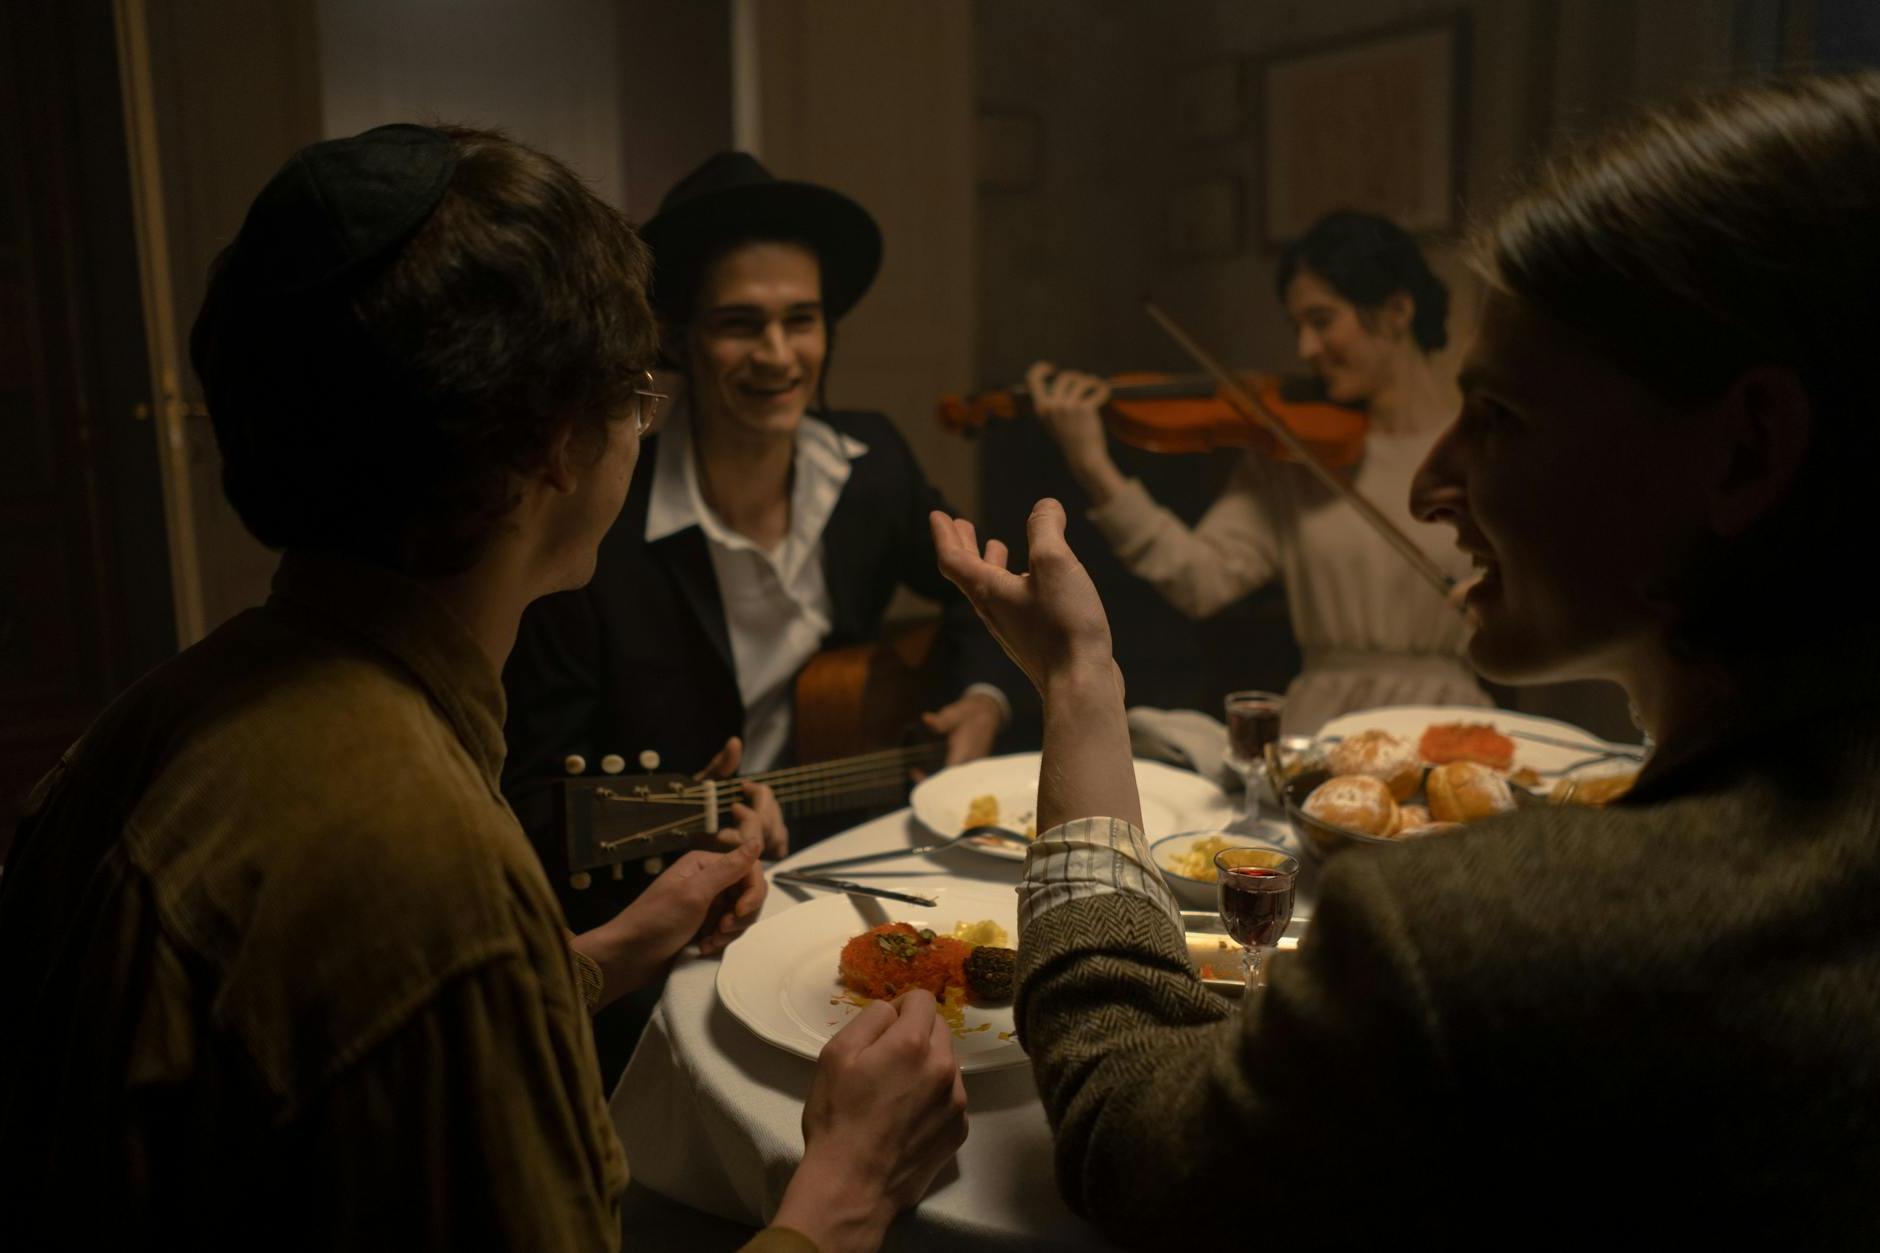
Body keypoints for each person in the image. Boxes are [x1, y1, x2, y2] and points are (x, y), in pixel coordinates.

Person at [931, 74, 1880, 1247]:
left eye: (1500, 417)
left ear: (1745, 451)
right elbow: (1198, 570)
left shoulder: (1468, 932)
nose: (1433, 488)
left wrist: (1080, 687)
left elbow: (1137, 1147)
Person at [0, 124, 965, 1253]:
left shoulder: (161, 711)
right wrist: (843, 1186)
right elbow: (426, 954)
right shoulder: (435, 872)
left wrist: (597, 955)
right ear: (559, 444)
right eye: (634, 394)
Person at [501, 151, 1016, 1075]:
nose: (779, 357)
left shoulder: (871, 466)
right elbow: (535, 797)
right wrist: (697, 830)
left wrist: (980, 695)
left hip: (853, 857)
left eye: (801, 321)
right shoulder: (602, 522)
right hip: (681, 909)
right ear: (681, 336)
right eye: (742, 325)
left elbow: (980, 595)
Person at [1026, 211, 1484, 733]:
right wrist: (1094, 466)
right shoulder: (1292, 453)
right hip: (1324, 730)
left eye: (1321, 320)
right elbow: (1200, 580)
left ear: (1398, 310)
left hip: (1454, 727)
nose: (1305, 349)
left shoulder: (1482, 449)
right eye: (1297, 327)